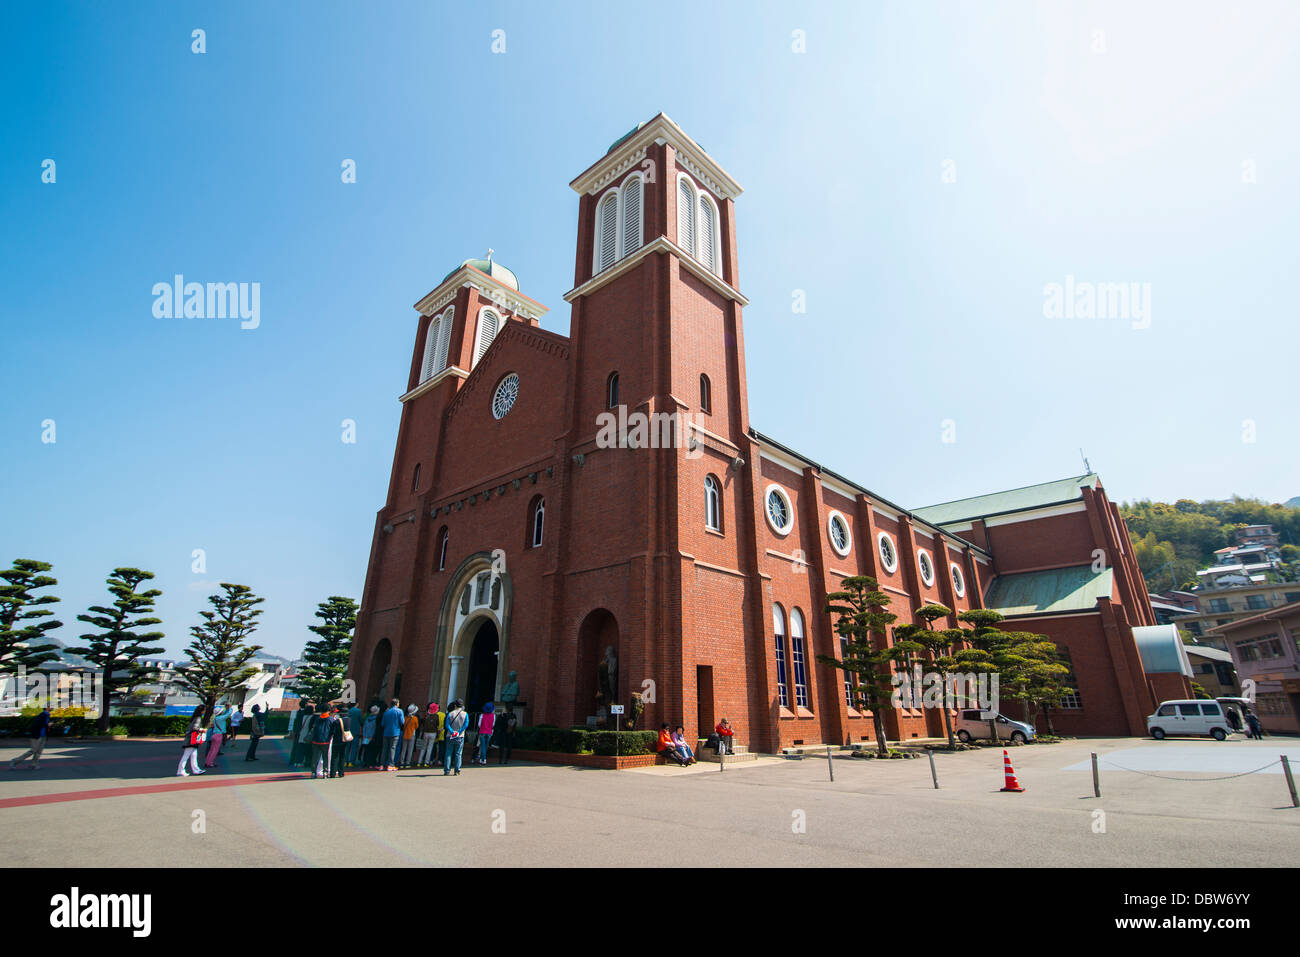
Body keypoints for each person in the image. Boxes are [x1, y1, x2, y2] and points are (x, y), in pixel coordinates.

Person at [10, 706, 52, 771]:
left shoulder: (46, 715)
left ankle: (34, 765)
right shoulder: (43, 715)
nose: (52, 708)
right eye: (51, 706)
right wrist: (48, 725)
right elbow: (38, 725)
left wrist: (47, 726)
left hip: (42, 736)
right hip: (37, 736)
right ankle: (15, 761)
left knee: (38, 751)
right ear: (47, 708)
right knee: (34, 750)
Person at [309, 704, 337, 779]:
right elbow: (333, 730)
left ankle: (313, 773)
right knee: (325, 757)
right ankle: (325, 772)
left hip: (316, 740)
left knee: (315, 757)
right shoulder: (331, 719)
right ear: (329, 710)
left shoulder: (317, 718)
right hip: (326, 741)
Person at [176, 706, 206, 776]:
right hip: (191, 740)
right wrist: (202, 730)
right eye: (204, 710)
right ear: (202, 711)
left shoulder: (194, 717)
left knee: (193, 755)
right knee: (186, 755)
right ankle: (181, 771)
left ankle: (196, 769)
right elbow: (195, 728)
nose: (205, 711)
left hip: (190, 739)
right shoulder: (198, 718)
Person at [443, 700, 469, 776]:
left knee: (448, 753)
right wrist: (459, 732)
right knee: (458, 753)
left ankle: (447, 770)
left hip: (450, 736)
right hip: (460, 736)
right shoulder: (465, 714)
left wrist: (452, 732)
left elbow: (447, 725)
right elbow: (466, 724)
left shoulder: (450, 714)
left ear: (455, 706)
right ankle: (457, 770)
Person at [205, 703, 231, 768]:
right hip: (218, 735)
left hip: (214, 735)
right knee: (215, 750)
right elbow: (228, 714)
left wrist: (226, 709)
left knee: (211, 750)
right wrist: (229, 708)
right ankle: (210, 763)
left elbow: (225, 713)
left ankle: (207, 762)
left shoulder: (216, 718)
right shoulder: (221, 718)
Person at [290, 700, 315, 767]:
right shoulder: (308, 716)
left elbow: (296, 723)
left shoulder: (299, 712)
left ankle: (295, 761)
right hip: (305, 734)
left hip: (299, 732)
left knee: (297, 747)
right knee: (306, 749)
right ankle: (305, 762)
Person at [381, 699, 404, 771]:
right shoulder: (399, 711)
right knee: (392, 748)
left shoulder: (386, 712)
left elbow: (383, 724)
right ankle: (390, 765)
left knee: (385, 748)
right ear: (396, 703)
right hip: (395, 732)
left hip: (386, 732)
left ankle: (382, 765)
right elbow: (402, 722)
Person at [329, 704, 349, 778]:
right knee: (342, 756)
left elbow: (332, 731)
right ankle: (341, 772)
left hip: (337, 740)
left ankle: (333, 773)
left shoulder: (337, 721)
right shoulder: (349, 720)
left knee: (334, 757)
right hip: (345, 740)